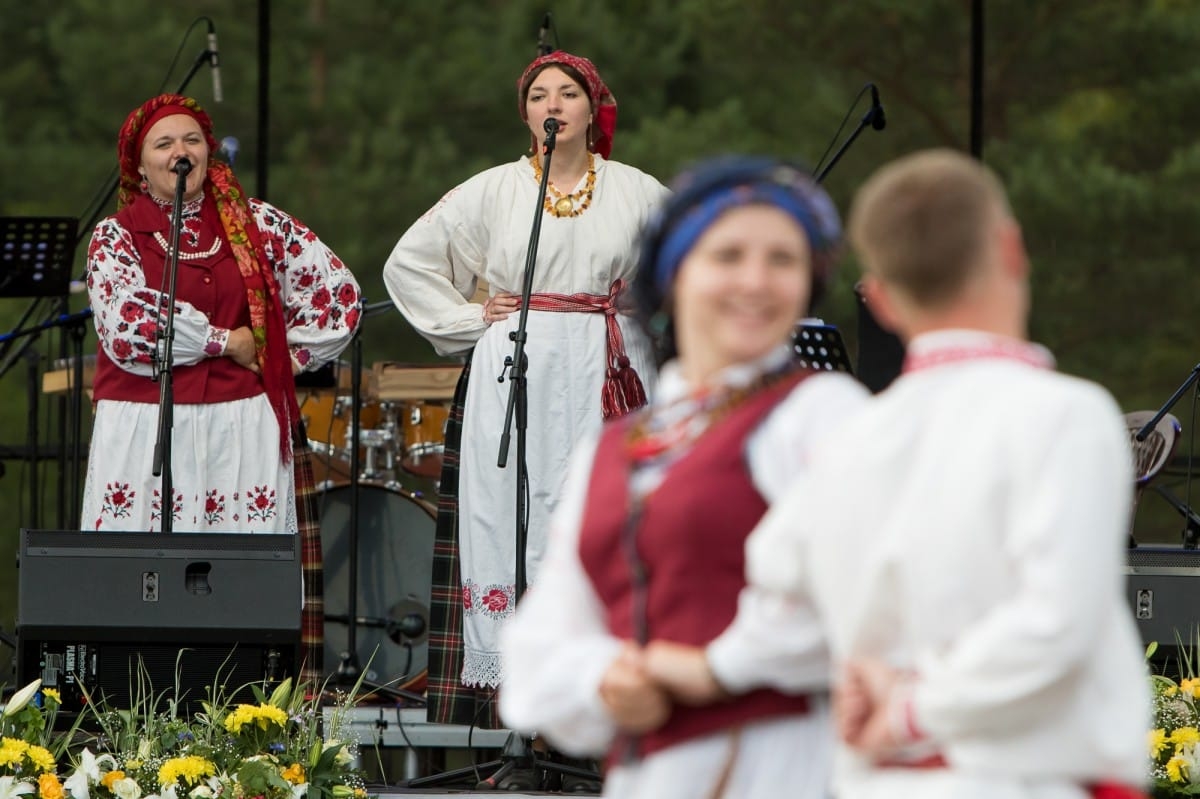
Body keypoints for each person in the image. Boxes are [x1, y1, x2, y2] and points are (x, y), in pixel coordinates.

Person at [741, 149, 1150, 798]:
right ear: (1011, 249)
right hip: (1019, 780)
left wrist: (852, 677)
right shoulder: (1066, 415)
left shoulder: (846, 438)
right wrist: (909, 707)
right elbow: (1053, 624)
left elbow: (771, 581)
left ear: (877, 299)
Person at [499, 156, 869, 798]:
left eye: (783, 260)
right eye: (728, 256)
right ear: (674, 275)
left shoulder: (822, 415)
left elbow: (865, 598)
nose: (756, 281)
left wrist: (712, 670)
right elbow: (539, 648)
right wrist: (607, 682)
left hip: (785, 768)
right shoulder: (616, 446)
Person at [382, 50, 669, 727]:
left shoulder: (638, 190)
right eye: (539, 94)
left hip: (610, 365)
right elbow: (408, 263)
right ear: (526, 114)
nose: (552, 105)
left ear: (592, 109)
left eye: (567, 93)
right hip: (518, 363)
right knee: (511, 513)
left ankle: (611, 692)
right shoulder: (494, 190)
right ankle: (520, 713)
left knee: (607, 511)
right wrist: (468, 318)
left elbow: (683, 268)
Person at [82, 94, 360, 676]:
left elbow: (338, 298)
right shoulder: (116, 235)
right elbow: (127, 325)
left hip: (242, 422)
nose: (180, 152)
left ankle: (246, 710)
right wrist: (222, 341)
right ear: (138, 165)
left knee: (238, 579)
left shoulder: (256, 223)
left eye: (192, 140)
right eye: (164, 143)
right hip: (146, 425)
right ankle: (134, 706)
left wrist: (279, 355)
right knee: (142, 577)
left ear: (209, 151)